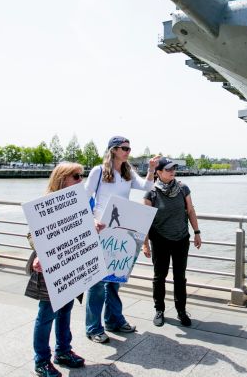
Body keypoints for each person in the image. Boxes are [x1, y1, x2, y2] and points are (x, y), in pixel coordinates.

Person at [83, 136, 160, 343]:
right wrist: (91, 221)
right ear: (113, 150)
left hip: (120, 229)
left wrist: (152, 169)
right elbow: (83, 198)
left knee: (115, 279)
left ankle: (113, 320)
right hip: (100, 229)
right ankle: (93, 328)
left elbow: (147, 187)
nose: (128, 151)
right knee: (97, 282)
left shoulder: (128, 172)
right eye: (124, 148)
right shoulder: (98, 171)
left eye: (129, 148)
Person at [25, 162, 87, 377]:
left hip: (69, 264)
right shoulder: (45, 203)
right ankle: (41, 360)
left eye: (82, 175)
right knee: (46, 314)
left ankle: (63, 351)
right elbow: (32, 234)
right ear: (62, 179)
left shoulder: (78, 203)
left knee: (65, 311)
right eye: (77, 176)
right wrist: (41, 254)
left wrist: (94, 226)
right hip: (50, 266)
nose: (81, 180)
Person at [142, 157, 202, 327]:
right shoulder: (151, 192)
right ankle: (159, 310)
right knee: (159, 277)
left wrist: (197, 232)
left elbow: (190, 210)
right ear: (159, 172)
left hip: (181, 239)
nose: (172, 172)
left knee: (180, 277)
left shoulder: (183, 188)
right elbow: (145, 220)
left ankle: (181, 311)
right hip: (160, 240)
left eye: (173, 169)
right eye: (168, 169)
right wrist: (145, 244)